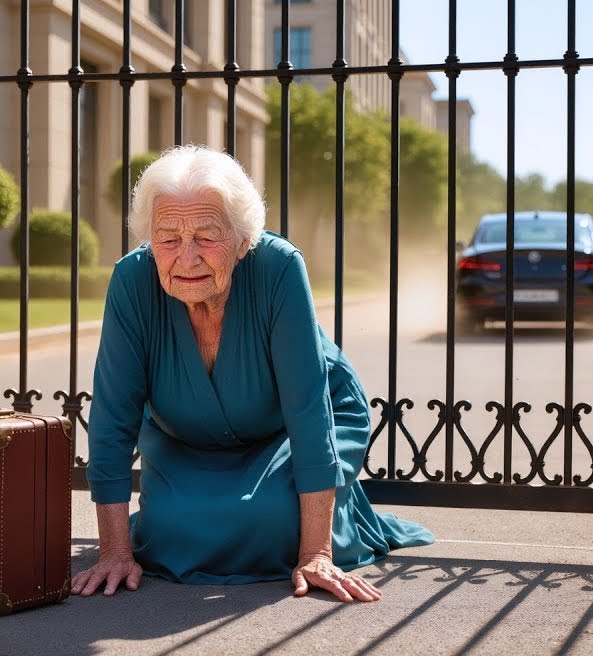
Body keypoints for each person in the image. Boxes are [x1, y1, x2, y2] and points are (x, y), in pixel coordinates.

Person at [73, 145, 433, 603]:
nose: (186, 257)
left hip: (293, 424)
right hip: (190, 438)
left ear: (244, 240)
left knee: (275, 516)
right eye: (167, 237)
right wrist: (113, 552)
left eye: (206, 236)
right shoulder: (131, 279)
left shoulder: (279, 266)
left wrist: (316, 552)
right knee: (169, 523)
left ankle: (332, 521)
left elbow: (307, 408)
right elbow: (112, 415)